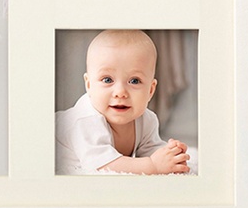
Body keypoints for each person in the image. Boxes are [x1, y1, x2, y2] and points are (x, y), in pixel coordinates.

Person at [55, 29, 190, 174]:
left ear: (150, 90)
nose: (120, 92)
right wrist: (153, 166)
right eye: (107, 80)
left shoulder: (147, 119)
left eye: (134, 81)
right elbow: (101, 165)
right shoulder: (85, 121)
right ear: (89, 85)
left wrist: (170, 156)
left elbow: (150, 150)